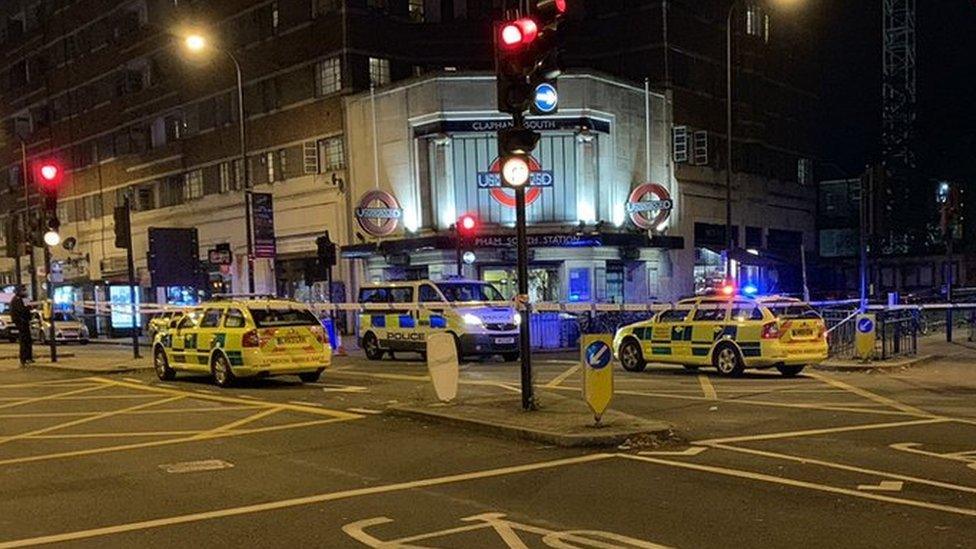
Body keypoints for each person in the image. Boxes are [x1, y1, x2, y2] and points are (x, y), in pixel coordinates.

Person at [10, 286, 33, 366]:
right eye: (23, 290)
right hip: (21, 322)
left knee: (28, 340)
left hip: (25, 321)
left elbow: (29, 308)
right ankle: (24, 358)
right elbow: (20, 311)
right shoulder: (16, 300)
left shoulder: (24, 299)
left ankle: (29, 357)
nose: (25, 292)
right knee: (24, 340)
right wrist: (20, 320)